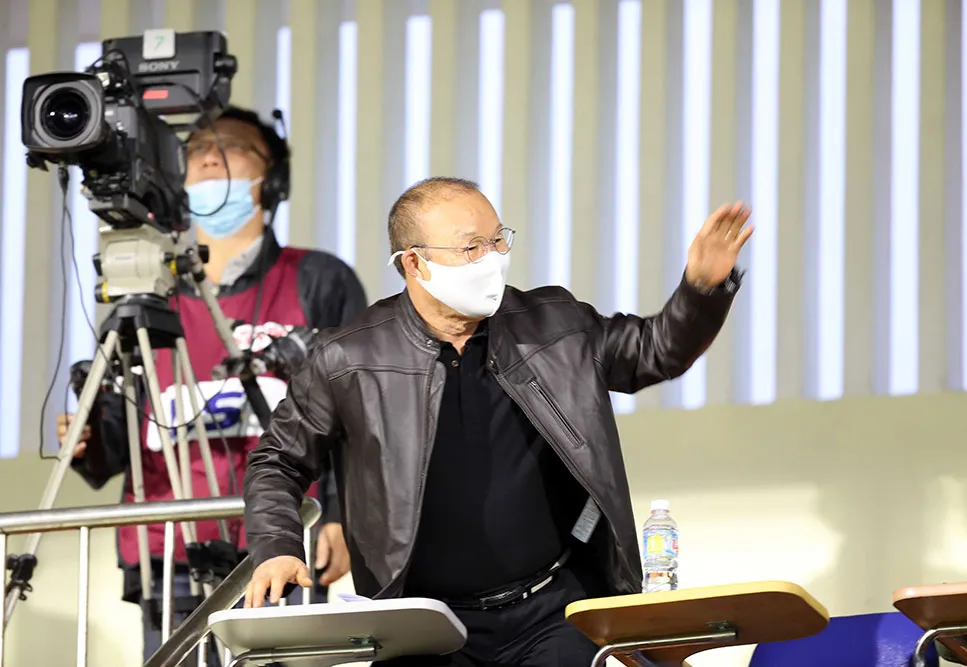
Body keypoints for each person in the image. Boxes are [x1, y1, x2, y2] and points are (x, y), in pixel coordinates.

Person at [242, 177, 751, 666]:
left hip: (552, 607)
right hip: (424, 621)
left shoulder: (555, 324)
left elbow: (655, 350)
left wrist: (701, 289)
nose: (493, 258)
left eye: (498, 240)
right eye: (471, 247)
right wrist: (278, 547)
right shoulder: (348, 357)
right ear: (414, 263)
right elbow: (278, 461)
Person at [57, 106, 367, 664]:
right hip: (168, 551)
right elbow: (114, 448)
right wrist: (85, 443)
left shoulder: (319, 279)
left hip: (283, 541)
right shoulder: (146, 297)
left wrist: (343, 516)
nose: (208, 159)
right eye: (197, 150)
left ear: (272, 180)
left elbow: (356, 415)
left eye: (231, 147)